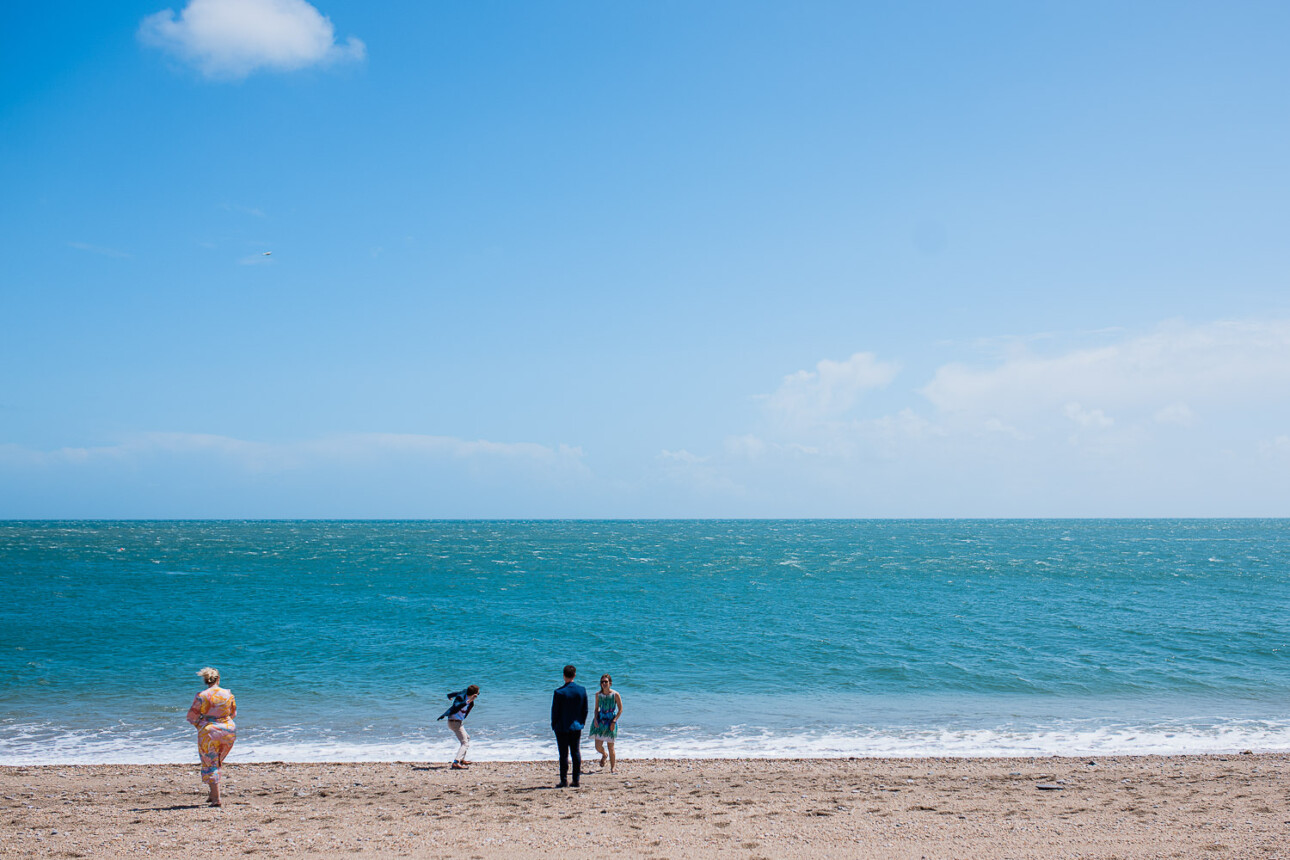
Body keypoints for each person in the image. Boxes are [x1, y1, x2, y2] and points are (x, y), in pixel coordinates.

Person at [186, 667, 236, 806]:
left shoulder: (201, 695)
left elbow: (192, 717)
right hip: (228, 729)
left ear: (205, 680)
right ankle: (212, 794)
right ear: (218, 678)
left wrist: (201, 726)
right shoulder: (228, 694)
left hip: (209, 731)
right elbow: (233, 713)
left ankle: (216, 799)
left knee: (210, 762)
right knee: (217, 762)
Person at [550, 664, 587, 788]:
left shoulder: (559, 692)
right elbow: (585, 710)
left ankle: (564, 780)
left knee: (563, 754)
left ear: (564, 676)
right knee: (575, 752)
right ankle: (576, 779)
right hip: (576, 726)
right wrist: (582, 722)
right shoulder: (581, 690)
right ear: (574, 675)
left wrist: (554, 724)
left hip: (562, 727)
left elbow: (555, 711)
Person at [436, 685, 479, 770]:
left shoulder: (464, 693)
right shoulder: (461, 698)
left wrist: (449, 696)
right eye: (477, 694)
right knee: (465, 743)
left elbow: (456, 693)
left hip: (458, 722)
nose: (478, 695)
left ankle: (462, 759)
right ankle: (456, 762)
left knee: (467, 738)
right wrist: (470, 700)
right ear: (474, 694)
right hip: (454, 722)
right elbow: (456, 706)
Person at [588, 673, 623, 773]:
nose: (604, 683)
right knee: (598, 746)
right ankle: (604, 754)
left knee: (611, 747)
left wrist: (614, 720)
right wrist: (595, 719)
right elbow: (596, 709)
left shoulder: (615, 695)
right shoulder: (598, 695)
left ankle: (613, 767)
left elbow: (620, 710)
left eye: (606, 682)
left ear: (610, 683)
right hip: (600, 721)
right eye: (602, 682)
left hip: (611, 721)